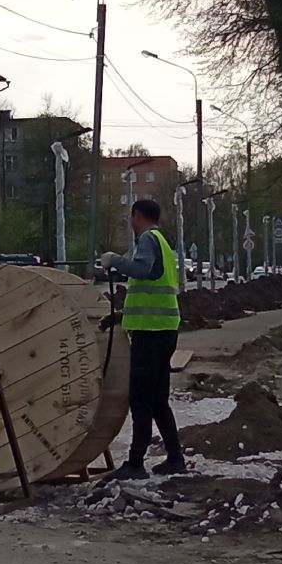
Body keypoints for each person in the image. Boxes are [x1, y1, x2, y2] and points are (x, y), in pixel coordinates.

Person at [99, 198, 186, 480]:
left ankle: (136, 464)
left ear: (137, 216)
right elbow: (151, 289)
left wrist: (116, 261)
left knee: (141, 399)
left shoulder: (148, 239)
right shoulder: (163, 242)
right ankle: (175, 458)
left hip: (150, 334)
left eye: (131, 217)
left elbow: (143, 270)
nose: (131, 223)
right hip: (165, 329)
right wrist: (120, 315)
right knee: (159, 399)